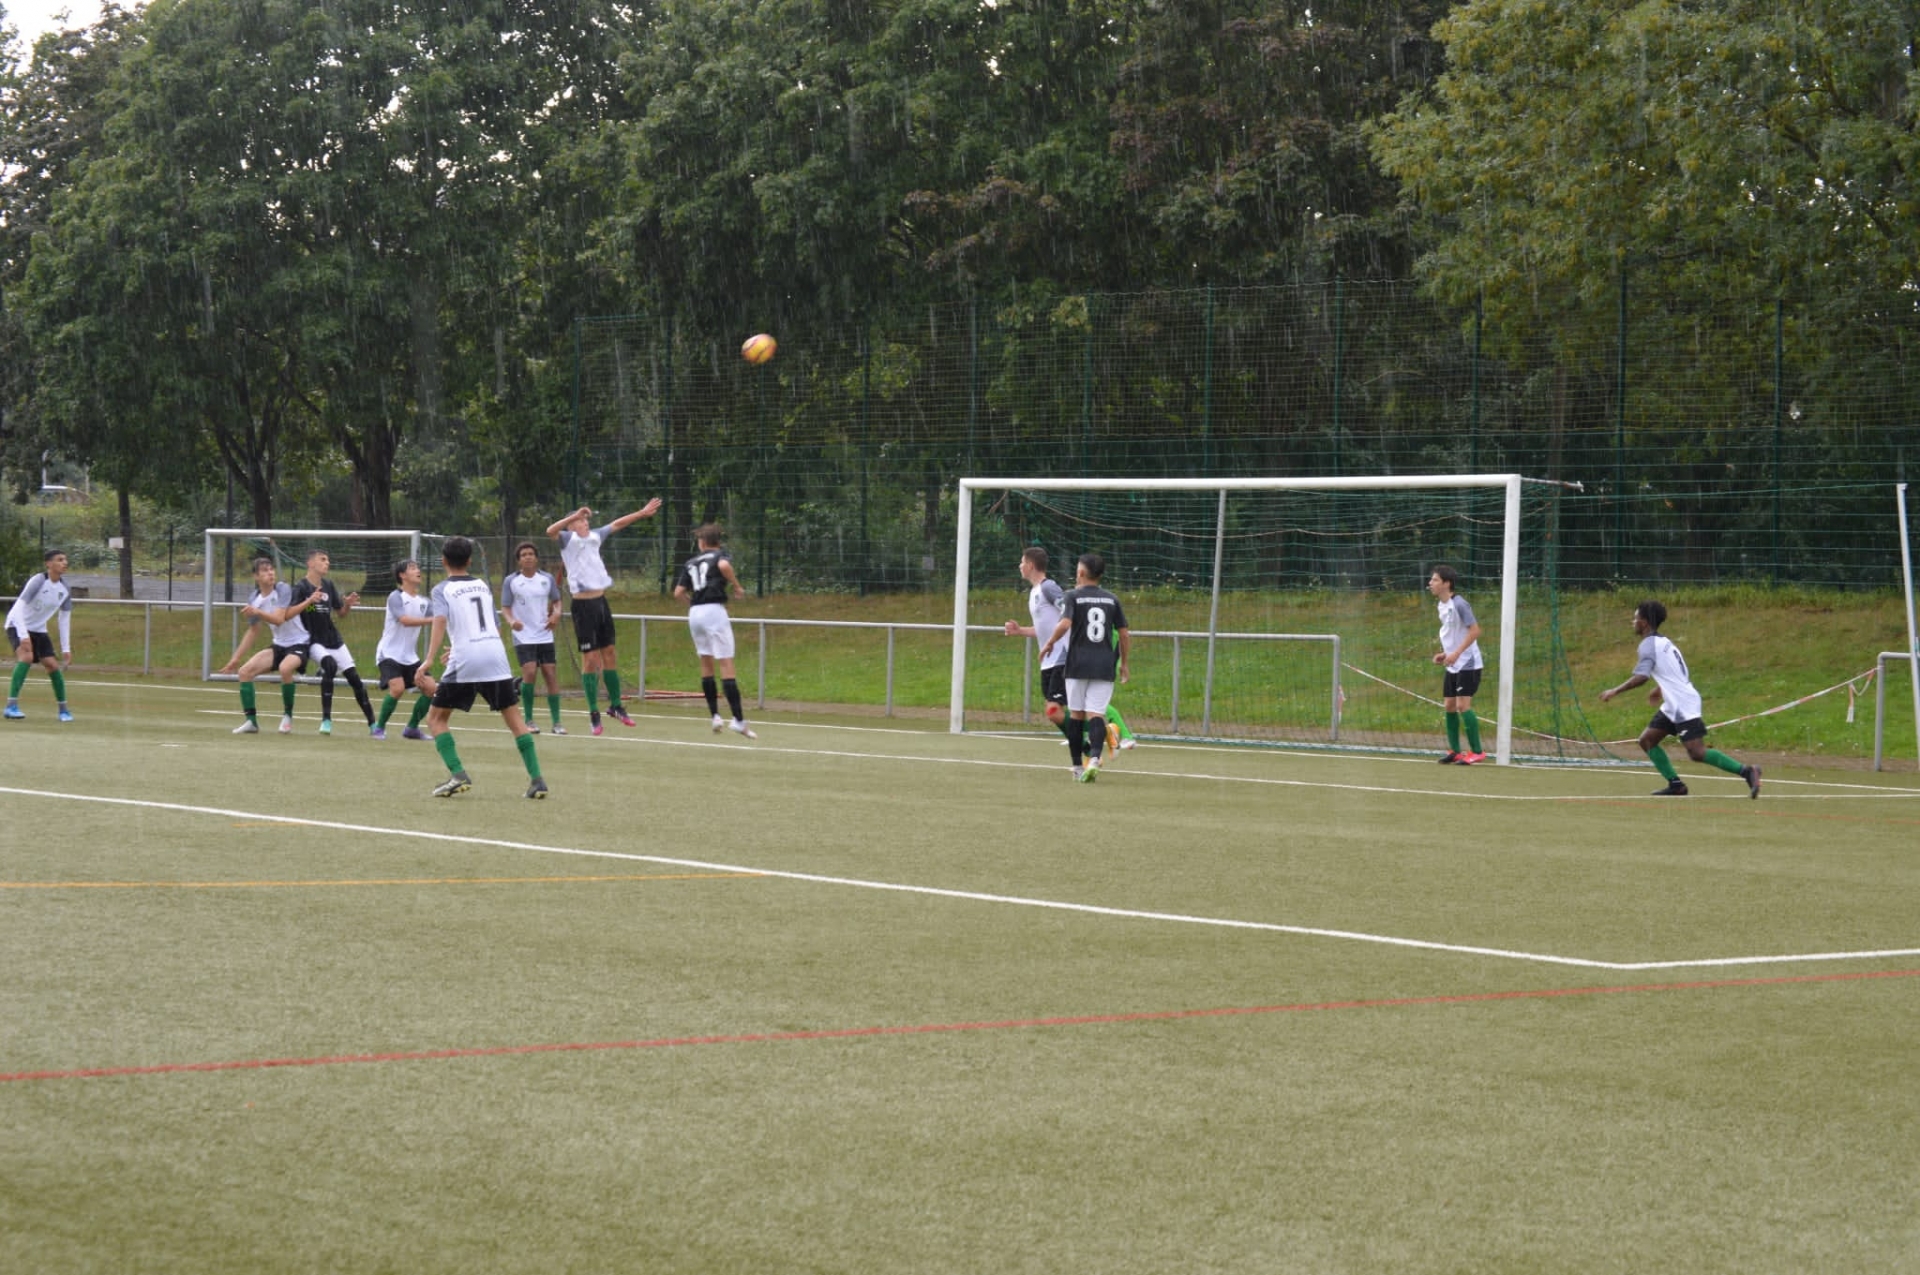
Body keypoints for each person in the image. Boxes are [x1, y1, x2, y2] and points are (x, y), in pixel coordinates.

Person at [415, 536, 547, 798]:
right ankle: (537, 781)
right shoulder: (482, 586)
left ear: (443, 560)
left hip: (467, 658)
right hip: (495, 654)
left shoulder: (442, 589)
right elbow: (492, 626)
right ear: (469, 560)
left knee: (435, 719)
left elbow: (439, 621)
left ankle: (458, 774)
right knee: (515, 720)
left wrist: (429, 659)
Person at [1600, 599, 1762, 798]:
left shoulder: (1648, 645)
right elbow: (1673, 672)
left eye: (1635, 618)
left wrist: (1615, 691)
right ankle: (1676, 785)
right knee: (1648, 740)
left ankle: (1748, 771)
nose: (1633, 622)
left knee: (1697, 752)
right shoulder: (1664, 642)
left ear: (1644, 622)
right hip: (1674, 702)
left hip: (1683, 704)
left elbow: (1642, 676)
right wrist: (1660, 688)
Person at [547, 498, 662, 735]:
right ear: (571, 525)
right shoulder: (567, 539)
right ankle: (593, 713)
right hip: (583, 606)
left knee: (609, 652)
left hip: (601, 602)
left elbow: (617, 524)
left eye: (585, 520)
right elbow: (550, 531)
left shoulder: (595, 536)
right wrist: (574, 515)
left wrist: (641, 513)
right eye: (581, 520)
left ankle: (616, 706)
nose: (585, 522)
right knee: (590, 659)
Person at [1039, 552, 1130, 782]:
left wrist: (1050, 643)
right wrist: (1124, 663)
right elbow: (1123, 633)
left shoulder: (1072, 596)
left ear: (1080, 572)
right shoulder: (1112, 599)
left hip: (1077, 664)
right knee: (1096, 713)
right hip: (1104, 665)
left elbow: (1065, 623)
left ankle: (1078, 766)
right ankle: (1096, 758)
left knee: (1077, 714)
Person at [672, 523, 756, 738]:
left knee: (706, 662)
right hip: (713, 611)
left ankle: (715, 716)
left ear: (702, 542)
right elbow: (724, 566)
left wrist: (693, 604)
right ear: (717, 542)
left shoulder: (691, 562)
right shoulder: (720, 555)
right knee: (726, 662)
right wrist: (736, 586)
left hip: (695, 613)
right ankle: (738, 720)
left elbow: (678, 592)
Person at [218, 556, 314, 734]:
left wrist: (257, 612)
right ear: (256, 576)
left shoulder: (282, 589)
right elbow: (253, 631)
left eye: (271, 569)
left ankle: (287, 716)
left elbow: (278, 619)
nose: (270, 573)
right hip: (279, 645)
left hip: (299, 642)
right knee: (244, 672)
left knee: (285, 668)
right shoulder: (254, 598)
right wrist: (236, 658)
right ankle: (251, 722)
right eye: (264, 570)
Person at [289, 549, 376, 737]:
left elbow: (341, 613)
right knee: (329, 666)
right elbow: (289, 612)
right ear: (310, 563)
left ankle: (373, 724)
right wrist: (309, 601)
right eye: (322, 559)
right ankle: (326, 720)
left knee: (355, 679)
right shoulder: (301, 587)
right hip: (313, 640)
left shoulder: (328, 585)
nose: (327, 563)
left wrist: (348, 605)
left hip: (333, 639)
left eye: (328, 560)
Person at [500, 541, 566, 735]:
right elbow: (505, 607)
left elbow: (557, 601)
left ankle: (557, 723)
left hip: (544, 634)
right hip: (523, 636)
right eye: (524, 555)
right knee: (529, 673)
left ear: (536, 558)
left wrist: (556, 615)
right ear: (519, 560)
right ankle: (528, 720)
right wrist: (512, 621)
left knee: (550, 674)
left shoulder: (547, 579)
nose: (528, 557)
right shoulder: (511, 581)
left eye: (531, 554)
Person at [4, 550, 74, 721]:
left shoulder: (65, 588)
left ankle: (63, 710)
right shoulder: (39, 580)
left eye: (65, 560)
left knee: (52, 665)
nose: (64, 563)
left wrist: (66, 649)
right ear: (48, 564)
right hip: (16, 623)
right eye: (60, 560)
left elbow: (64, 619)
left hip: (39, 629)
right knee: (27, 657)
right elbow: (18, 608)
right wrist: (23, 636)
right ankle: (11, 706)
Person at [373, 559, 438, 741]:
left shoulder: (425, 602)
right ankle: (379, 728)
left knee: (431, 688)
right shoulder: (395, 597)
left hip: (409, 657)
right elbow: (405, 620)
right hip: (388, 654)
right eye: (412, 568)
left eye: (418, 567)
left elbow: (439, 619)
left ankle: (411, 728)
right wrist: (431, 620)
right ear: (402, 575)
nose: (418, 570)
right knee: (397, 688)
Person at [1428, 565, 1486, 764]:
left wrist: (1457, 653)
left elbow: (1475, 631)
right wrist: (1446, 654)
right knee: (1449, 705)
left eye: (1435, 580)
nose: (1430, 583)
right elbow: (1455, 635)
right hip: (1453, 662)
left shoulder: (1460, 604)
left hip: (1468, 663)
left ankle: (1477, 751)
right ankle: (1455, 751)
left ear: (1447, 583)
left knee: (1462, 705)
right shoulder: (1441, 606)